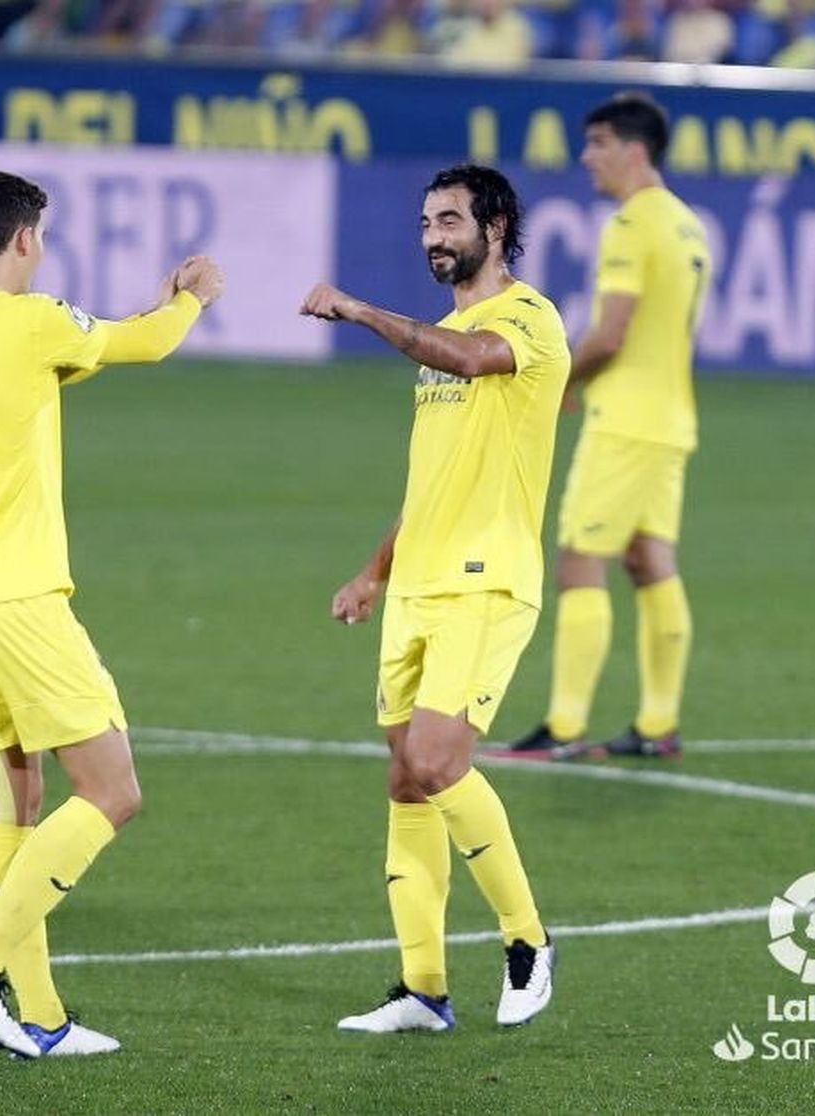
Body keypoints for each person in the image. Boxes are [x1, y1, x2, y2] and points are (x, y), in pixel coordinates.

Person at [0, 171, 223, 1058]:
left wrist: (140, 309)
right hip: (18, 598)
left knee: (14, 801)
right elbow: (144, 347)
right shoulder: (32, 318)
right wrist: (191, 299)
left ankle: (38, 1018)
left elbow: (45, 375)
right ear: (24, 240)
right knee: (112, 792)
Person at [299, 164, 563, 1033]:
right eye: (424, 223)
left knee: (442, 760)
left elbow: (468, 356)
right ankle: (423, 988)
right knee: (408, 781)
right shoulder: (445, 336)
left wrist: (362, 311)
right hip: (418, 582)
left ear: (496, 224)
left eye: (449, 220)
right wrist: (376, 570)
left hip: (488, 582)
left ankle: (528, 941)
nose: (432, 237)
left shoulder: (525, 320)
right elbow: (432, 484)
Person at [499, 92, 709, 762]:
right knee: (650, 562)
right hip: (672, 417)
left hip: (625, 421)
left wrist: (557, 380)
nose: (586, 157)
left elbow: (611, 333)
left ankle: (563, 728)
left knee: (579, 563)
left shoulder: (631, 225)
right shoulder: (686, 225)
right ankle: (657, 724)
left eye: (596, 143)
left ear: (633, 149)